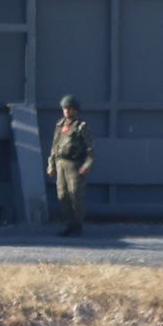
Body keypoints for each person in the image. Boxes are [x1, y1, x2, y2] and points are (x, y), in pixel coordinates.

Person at [45, 95, 94, 237]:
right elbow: (55, 146)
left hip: (74, 165)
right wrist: (51, 164)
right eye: (65, 108)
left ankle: (77, 226)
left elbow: (90, 149)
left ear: (75, 110)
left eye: (70, 109)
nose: (67, 111)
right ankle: (69, 225)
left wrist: (87, 164)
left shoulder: (81, 127)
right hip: (61, 164)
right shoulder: (60, 125)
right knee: (62, 196)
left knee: (75, 196)